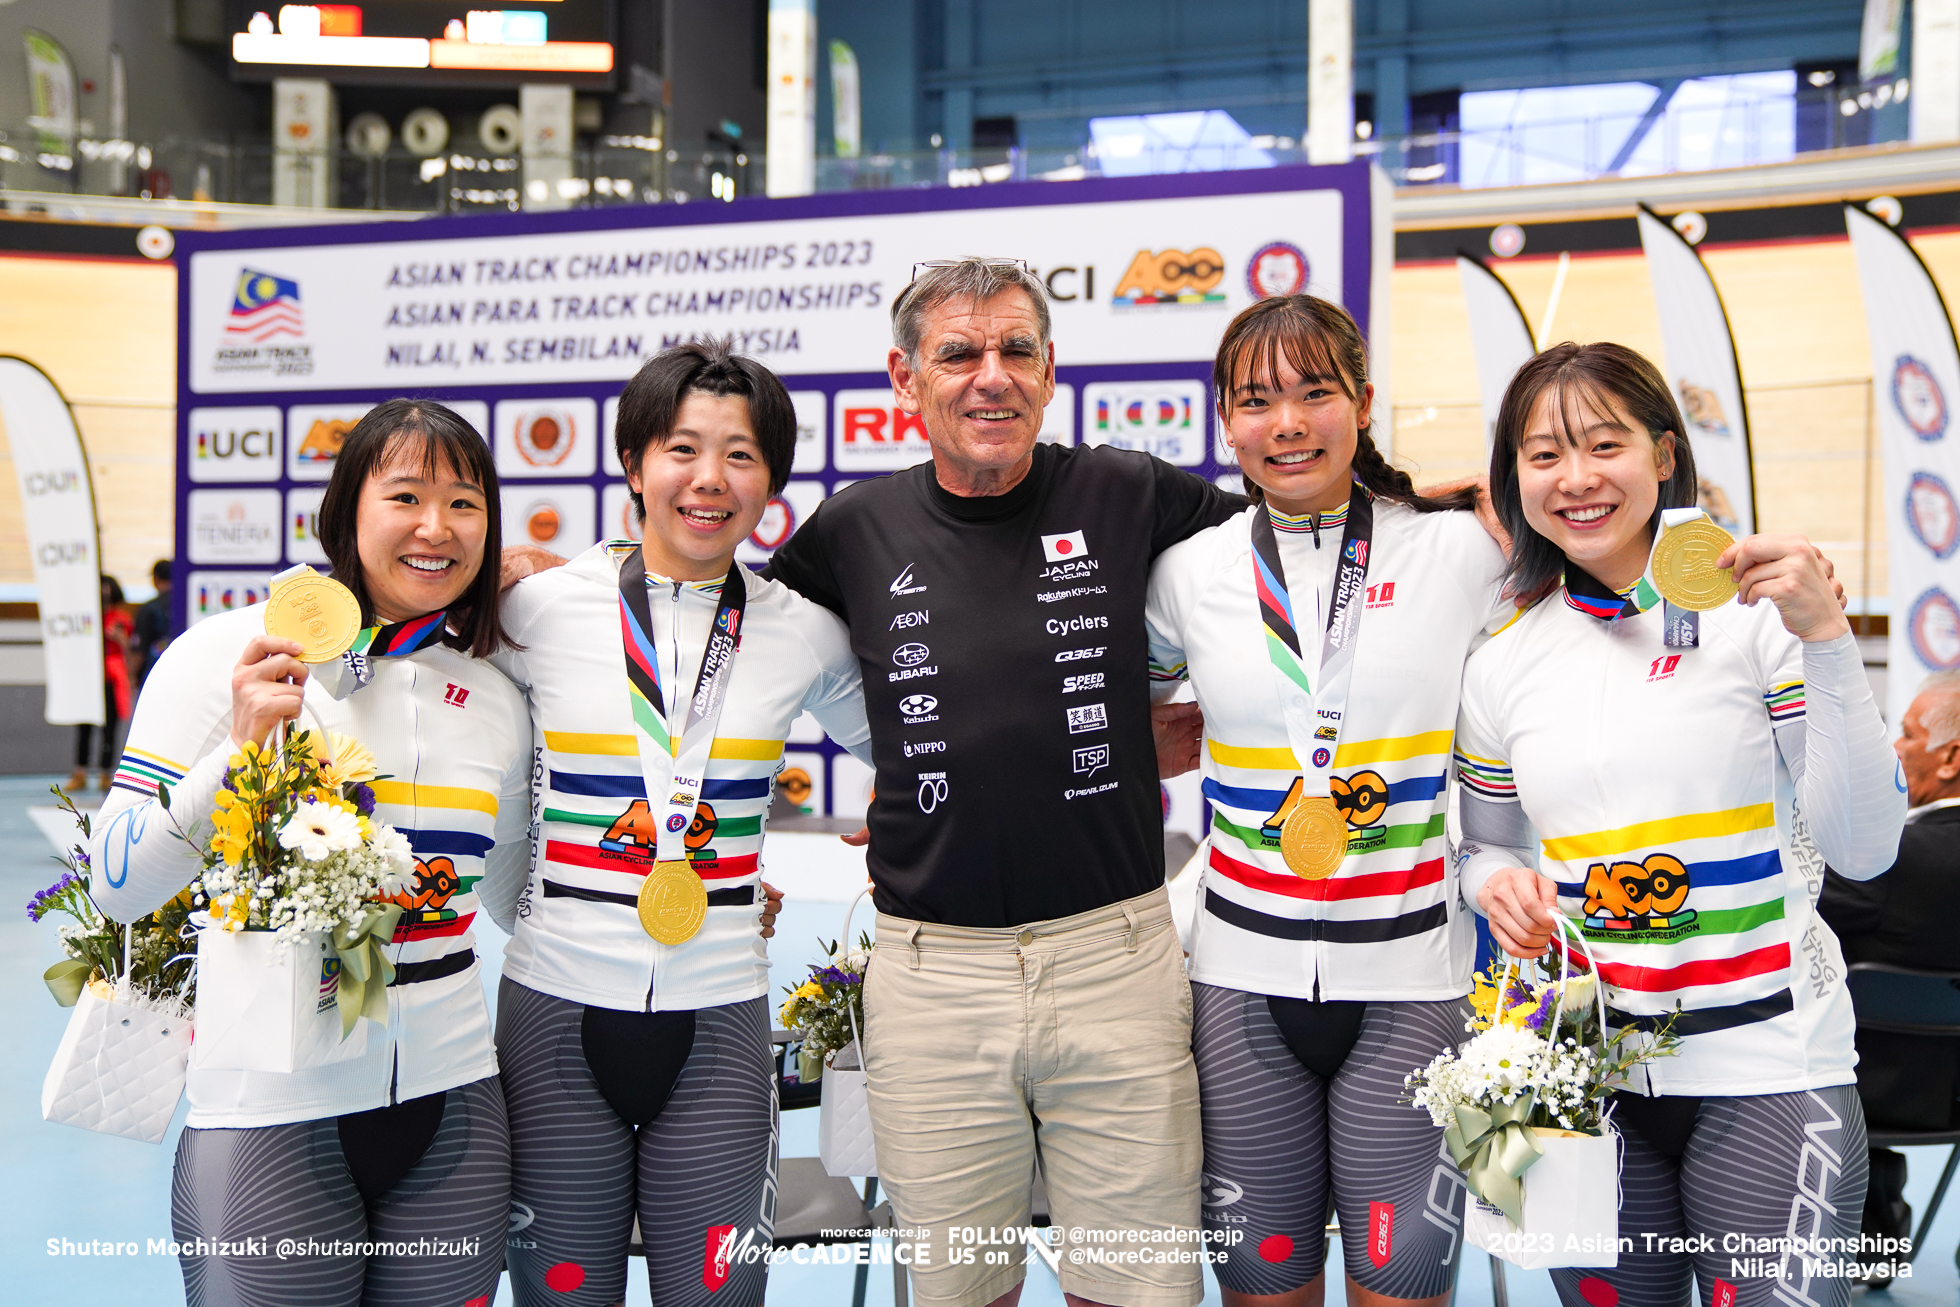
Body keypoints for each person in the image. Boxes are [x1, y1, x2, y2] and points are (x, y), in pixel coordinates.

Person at [761, 257, 1244, 1307]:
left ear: (1050, 367)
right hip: (932, 978)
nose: (992, 376)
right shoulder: (852, 530)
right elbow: (725, 638)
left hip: (1113, 957)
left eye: (1015, 349)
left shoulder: (1127, 491)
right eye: (958, 353)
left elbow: (1295, 556)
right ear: (904, 377)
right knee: (956, 1293)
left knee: (1140, 1291)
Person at [1455, 342, 1905, 1307]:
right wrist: (1496, 886)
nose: (1576, 478)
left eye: (1603, 445)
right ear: (1514, 479)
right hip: (1574, 1070)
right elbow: (1485, 845)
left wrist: (1828, 637)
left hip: (1767, 1062)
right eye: (1542, 455)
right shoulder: (1502, 661)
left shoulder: (1764, 618)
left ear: (1664, 455)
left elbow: (1866, 845)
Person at [90, 400, 529, 1307]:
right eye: (405, 495)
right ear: (346, 510)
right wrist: (238, 757)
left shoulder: (491, 692)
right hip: (271, 1112)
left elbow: (515, 896)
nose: (436, 528)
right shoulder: (227, 653)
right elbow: (117, 882)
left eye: (465, 502)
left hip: (454, 1105)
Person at [1145, 294, 1509, 1307]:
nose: (1288, 423)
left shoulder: (1460, 551)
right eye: (1256, 401)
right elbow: (1131, 728)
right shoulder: (1187, 572)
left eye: (1315, 392)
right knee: (1263, 1290)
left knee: (1398, 1284)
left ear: (1363, 401)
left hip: (1412, 984)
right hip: (1236, 984)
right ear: (1225, 420)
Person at [491, 339, 871, 1307]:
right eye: (682, 448)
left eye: (740, 454)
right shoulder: (535, 608)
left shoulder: (800, 628)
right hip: (552, 1017)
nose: (709, 479)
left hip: (719, 1024)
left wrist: (899, 807)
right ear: (633, 464)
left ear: (771, 480)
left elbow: (914, 745)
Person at [1818, 670, 1960, 1275]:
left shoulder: (1885, 861)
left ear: (1951, 758)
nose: (1894, 749)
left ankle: (1872, 1223)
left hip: (1866, 1093)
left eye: (1904, 734)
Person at [69, 573, 133, 792]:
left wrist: (118, 638)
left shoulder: (121, 618)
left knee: (110, 728)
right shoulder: (86, 617)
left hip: (111, 677)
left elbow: (129, 648)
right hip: (89, 676)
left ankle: (106, 772)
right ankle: (80, 772)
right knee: (84, 726)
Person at [133, 558, 175, 692]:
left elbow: (139, 651)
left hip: (152, 676)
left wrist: (131, 677)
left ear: (156, 578)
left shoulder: (149, 608)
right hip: (181, 673)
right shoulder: (186, 605)